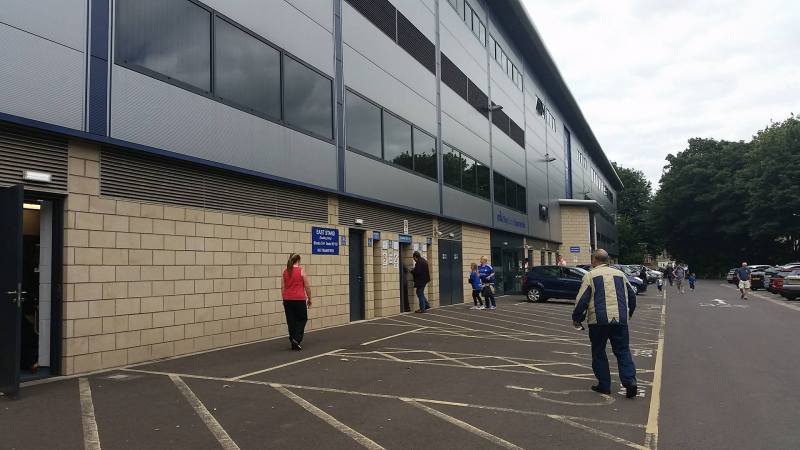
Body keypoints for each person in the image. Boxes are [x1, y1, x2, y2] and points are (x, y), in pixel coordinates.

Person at [572, 249, 638, 398]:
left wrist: (577, 318)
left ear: (594, 260)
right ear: (607, 260)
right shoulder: (620, 275)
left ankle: (604, 385)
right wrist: (629, 314)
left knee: (599, 352)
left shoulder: (590, 275)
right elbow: (632, 296)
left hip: (598, 321)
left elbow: (582, 300)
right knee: (623, 350)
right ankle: (630, 381)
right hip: (620, 319)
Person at [282, 253, 312, 350]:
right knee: (302, 319)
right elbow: (307, 286)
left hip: (287, 299)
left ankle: (292, 339)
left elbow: (282, 287)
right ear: (298, 260)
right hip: (299, 299)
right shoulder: (301, 271)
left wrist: (284, 298)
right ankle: (296, 339)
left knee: (291, 321)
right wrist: (309, 298)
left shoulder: (285, 271)